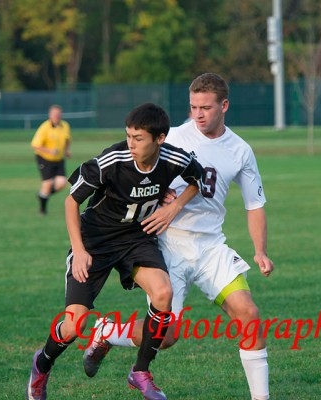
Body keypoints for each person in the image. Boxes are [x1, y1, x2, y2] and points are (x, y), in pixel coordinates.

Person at [84, 73, 274, 400]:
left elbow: (254, 205)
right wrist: (158, 199)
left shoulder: (240, 150)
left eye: (206, 107)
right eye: (193, 107)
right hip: (167, 247)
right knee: (168, 335)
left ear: (224, 106)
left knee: (249, 314)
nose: (198, 114)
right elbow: (132, 177)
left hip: (211, 247)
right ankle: (108, 332)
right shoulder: (169, 137)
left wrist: (260, 250)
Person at [26, 102, 203, 400]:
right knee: (74, 325)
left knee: (163, 294)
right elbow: (71, 202)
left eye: (138, 138)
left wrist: (174, 205)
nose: (130, 144)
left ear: (160, 139)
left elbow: (197, 179)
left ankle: (140, 371)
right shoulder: (112, 160)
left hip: (136, 238)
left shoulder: (174, 158)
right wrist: (79, 250)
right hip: (94, 241)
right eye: (128, 136)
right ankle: (42, 364)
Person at [31, 105, 71, 215]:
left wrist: (67, 150)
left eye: (59, 114)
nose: (57, 116)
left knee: (62, 183)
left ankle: (42, 196)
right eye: (54, 114)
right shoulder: (44, 127)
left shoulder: (65, 125)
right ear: (50, 115)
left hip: (58, 159)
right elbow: (35, 145)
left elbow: (67, 139)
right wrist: (49, 151)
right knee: (48, 183)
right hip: (45, 158)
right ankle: (42, 209)